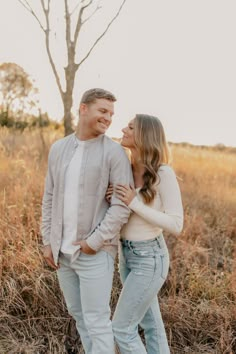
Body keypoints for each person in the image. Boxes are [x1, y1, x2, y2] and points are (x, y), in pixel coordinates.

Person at [41, 88, 133, 354]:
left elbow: (120, 207)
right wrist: (48, 240)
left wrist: (93, 242)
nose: (108, 118)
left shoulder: (115, 154)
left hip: (94, 252)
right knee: (80, 317)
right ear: (83, 108)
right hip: (62, 252)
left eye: (111, 114)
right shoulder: (59, 148)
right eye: (103, 111)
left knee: (97, 322)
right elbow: (49, 196)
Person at [107, 114, 183, 353]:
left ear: (144, 135)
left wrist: (134, 203)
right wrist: (113, 200)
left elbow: (176, 224)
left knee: (121, 328)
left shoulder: (163, 173)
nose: (123, 129)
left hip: (150, 259)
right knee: (152, 326)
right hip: (126, 256)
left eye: (130, 127)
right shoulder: (126, 169)